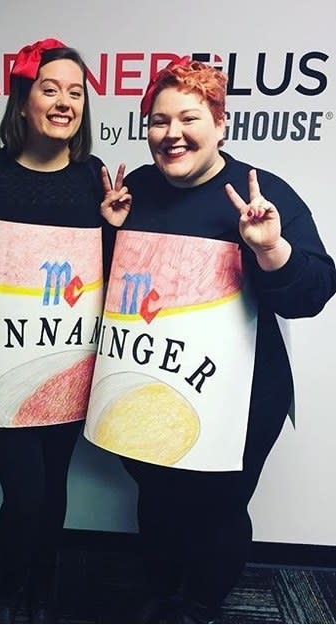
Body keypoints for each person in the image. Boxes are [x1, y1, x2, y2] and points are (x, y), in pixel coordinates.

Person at [84, 58, 336, 623]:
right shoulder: (136, 189)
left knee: (218, 507)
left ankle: (199, 605)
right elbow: (110, 287)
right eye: (158, 120)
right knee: (155, 492)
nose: (172, 134)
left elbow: (313, 292)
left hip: (244, 396)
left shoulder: (262, 193)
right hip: (152, 377)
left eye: (189, 118)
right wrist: (109, 232)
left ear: (219, 123)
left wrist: (269, 248)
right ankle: (163, 589)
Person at [0, 38, 124, 623]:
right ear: (23, 99)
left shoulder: (94, 178)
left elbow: (106, 271)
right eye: (50, 89)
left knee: (52, 487)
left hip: (67, 367)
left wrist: (114, 229)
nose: (64, 102)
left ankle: (39, 589)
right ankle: (8, 590)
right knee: (25, 491)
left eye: (75, 92)